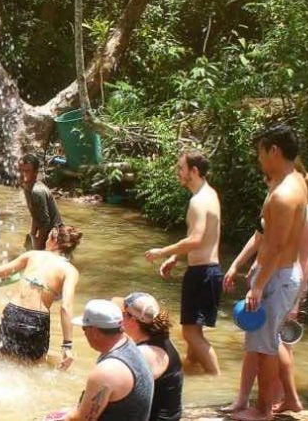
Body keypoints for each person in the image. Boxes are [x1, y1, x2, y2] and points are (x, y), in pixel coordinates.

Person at [226, 125, 308, 421]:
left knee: (265, 347)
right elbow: (267, 234)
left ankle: (263, 411)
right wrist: (244, 265)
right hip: (281, 273)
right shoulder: (296, 180)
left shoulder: (284, 194)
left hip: (277, 277)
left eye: (261, 153)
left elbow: (275, 246)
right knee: (264, 343)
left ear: (274, 150)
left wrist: (257, 286)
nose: (259, 159)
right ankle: (286, 402)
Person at [144, 150, 223, 376]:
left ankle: (216, 382)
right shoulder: (210, 194)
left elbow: (196, 239)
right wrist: (176, 257)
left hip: (202, 273)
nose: (177, 172)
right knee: (192, 334)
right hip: (208, 270)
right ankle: (190, 378)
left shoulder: (198, 201)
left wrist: (162, 251)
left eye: (181, 168)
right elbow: (201, 236)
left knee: (190, 334)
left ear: (194, 171)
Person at [0, 225, 82, 368]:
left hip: (13, 312)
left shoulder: (32, 255)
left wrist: (19, 274)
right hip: (36, 320)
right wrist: (67, 346)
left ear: (53, 240)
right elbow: (66, 307)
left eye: (47, 239)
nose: (46, 242)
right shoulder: (70, 271)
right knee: (34, 369)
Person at [60, 299, 154, 421]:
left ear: (94, 331)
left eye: (84, 329)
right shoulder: (130, 346)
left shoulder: (107, 371)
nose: (84, 334)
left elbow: (82, 420)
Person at [118, 292, 183, 421]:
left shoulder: (145, 353)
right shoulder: (162, 339)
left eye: (123, 313)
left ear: (133, 320)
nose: (119, 317)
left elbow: (118, 392)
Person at [19, 154, 63, 250]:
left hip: (54, 236)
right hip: (47, 233)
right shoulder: (27, 187)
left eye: (27, 171)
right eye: (21, 170)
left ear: (35, 173)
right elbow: (36, 216)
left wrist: (37, 249)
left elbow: (45, 223)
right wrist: (32, 235)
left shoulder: (37, 192)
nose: (23, 174)